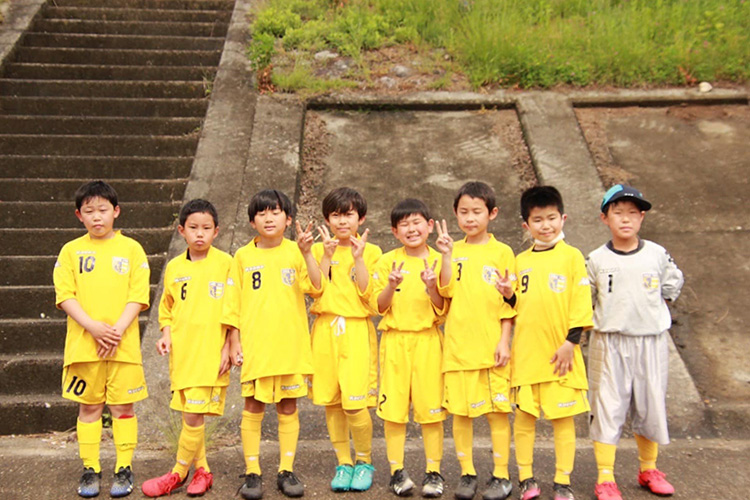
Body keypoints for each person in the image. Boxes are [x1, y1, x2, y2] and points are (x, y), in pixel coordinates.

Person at [222, 189, 323, 500]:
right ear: (252, 221)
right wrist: (233, 341)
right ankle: (252, 472)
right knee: (253, 407)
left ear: (288, 219)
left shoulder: (297, 251)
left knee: (288, 407)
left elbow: (317, 288)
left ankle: (286, 469)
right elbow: (232, 304)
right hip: (256, 348)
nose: (269, 217)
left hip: (290, 346)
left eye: (276, 212)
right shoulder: (241, 256)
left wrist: (308, 253)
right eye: (262, 213)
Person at [53, 180, 150, 498]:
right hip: (85, 346)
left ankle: (124, 467)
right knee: (89, 408)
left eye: (103, 210)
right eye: (89, 211)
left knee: (123, 408)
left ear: (116, 212)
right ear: (79, 215)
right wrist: (93, 327)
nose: (97, 217)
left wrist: (117, 330)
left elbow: (138, 296)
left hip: (123, 347)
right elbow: (65, 295)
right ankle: (90, 467)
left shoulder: (132, 249)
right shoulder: (70, 251)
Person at [587, 185, 684, 500]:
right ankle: (605, 477)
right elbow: (585, 299)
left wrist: (656, 310)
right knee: (607, 406)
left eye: (633, 213)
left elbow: (672, 283)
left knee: (650, 403)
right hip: (609, 341)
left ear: (642, 217)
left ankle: (649, 468)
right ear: (605, 218)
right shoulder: (596, 259)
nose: (625, 219)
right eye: (618, 212)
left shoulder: (656, 254)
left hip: (650, 342)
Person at [504, 185, 593, 500]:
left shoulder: (572, 257)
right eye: (538, 220)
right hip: (527, 354)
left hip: (561, 354)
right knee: (525, 419)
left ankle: (562, 481)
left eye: (551, 218)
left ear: (563, 218)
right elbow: (517, 307)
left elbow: (581, 303)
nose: (546, 225)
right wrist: (507, 294)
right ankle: (527, 478)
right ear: (526, 226)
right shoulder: (519, 260)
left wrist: (571, 342)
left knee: (562, 419)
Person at [140, 199, 233, 497]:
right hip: (182, 354)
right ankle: (203, 471)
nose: (200, 234)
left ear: (216, 231)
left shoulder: (226, 264)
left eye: (206, 228)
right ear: (182, 230)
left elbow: (235, 310)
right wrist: (165, 334)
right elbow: (167, 308)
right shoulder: (175, 267)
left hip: (211, 353)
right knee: (189, 414)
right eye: (193, 228)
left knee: (194, 415)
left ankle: (178, 473)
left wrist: (230, 345)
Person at [437, 182, 516, 500]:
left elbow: (511, 304)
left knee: (498, 414)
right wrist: (444, 256)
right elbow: (444, 292)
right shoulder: (451, 250)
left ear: (492, 213)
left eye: (477, 212)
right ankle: (467, 473)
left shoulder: (502, 252)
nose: (470, 218)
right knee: (462, 413)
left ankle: (502, 476)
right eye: (464, 212)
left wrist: (505, 341)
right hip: (458, 348)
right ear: (456, 214)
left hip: (492, 348)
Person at [372, 199, 448, 498]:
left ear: (429, 226)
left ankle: (434, 471)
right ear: (395, 231)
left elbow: (443, 310)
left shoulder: (441, 261)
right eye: (404, 224)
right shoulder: (386, 261)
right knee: (393, 412)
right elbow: (378, 307)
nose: (411, 228)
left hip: (428, 341)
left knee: (432, 411)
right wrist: (391, 285)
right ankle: (397, 471)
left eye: (417, 222)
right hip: (394, 342)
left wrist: (431, 287)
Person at [309, 187, 382, 492]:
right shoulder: (316, 250)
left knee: (355, 403)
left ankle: (364, 460)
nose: (342, 221)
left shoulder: (373, 251)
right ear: (327, 218)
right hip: (325, 330)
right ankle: (343, 463)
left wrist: (359, 259)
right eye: (336, 215)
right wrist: (325, 256)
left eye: (348, 214)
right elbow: (315, 289)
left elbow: (369, 295)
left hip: (355, 329)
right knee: (333, 402)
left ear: (360, 217)